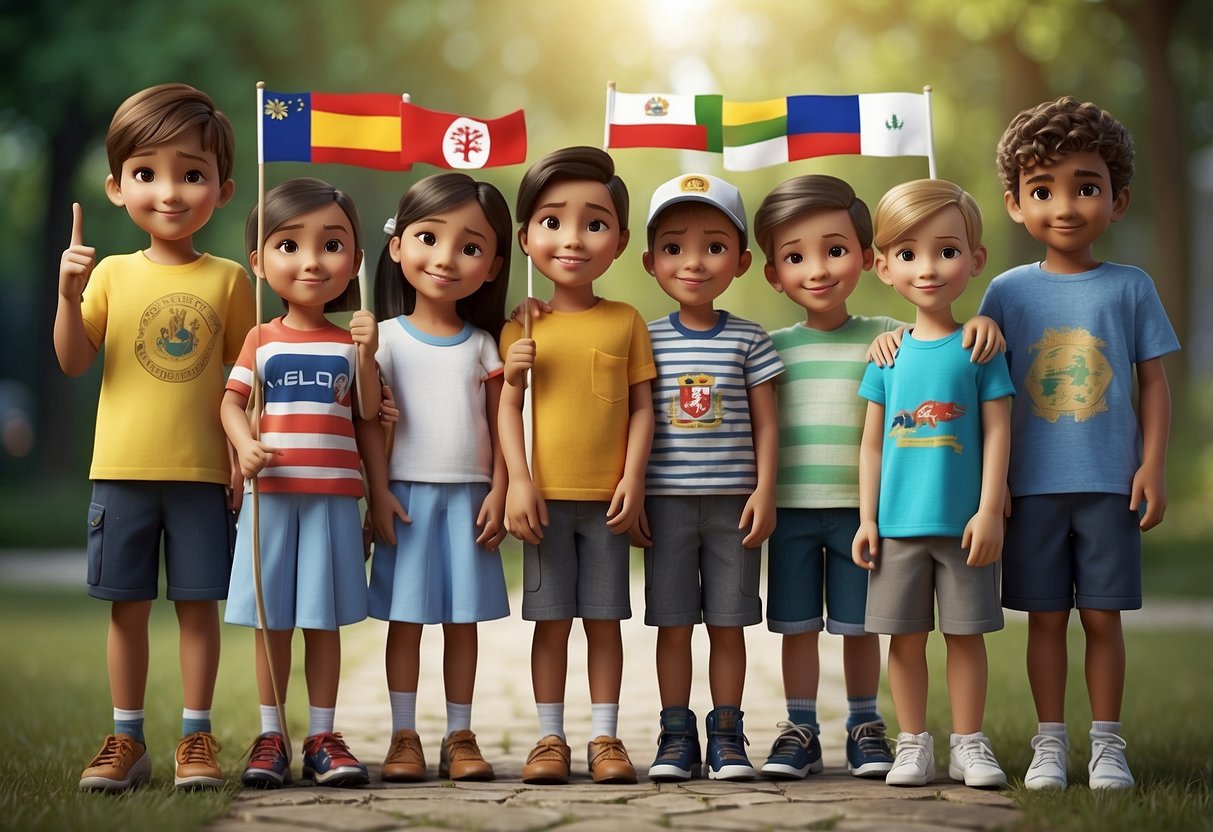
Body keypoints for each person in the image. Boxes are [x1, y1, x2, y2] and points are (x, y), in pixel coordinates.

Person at [753, 174, 1005, 781]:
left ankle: (870, 724)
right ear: (773, 274)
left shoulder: (885, 338)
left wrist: (982, 323)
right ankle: (801, 726)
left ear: (868, 261)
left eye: (834, 251)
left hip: (871, 516)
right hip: (805, 509)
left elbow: (937, 352)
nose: (816, 270)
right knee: (798, 624)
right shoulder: (772, 348)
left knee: (862, 625)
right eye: (795, 257)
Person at [55, 83, 254, 792]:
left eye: (191, 174)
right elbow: (75, 359)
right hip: (121, 470)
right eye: (147, 173)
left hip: (203, 474)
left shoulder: (232, 281)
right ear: (115, 187)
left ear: (222, 189)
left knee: (199, 607)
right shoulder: (107, 273)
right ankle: (127, 738)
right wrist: (65, 295)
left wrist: (240, 459)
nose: (169, 192)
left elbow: (244, 378)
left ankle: (196, 737)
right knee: (127, 608)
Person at [982, 97, 1179, 790]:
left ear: (1116, 200)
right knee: (1042, 619)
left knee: (1100, 617)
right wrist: (990, 481)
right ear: (1014, 204)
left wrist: (1151, 463)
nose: (1064, 206)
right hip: (1028, 488)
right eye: (1042, 190)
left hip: (1107, 483)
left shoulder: (1130, 287)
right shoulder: (1003, 293)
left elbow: (1151, 384)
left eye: (1085, 187)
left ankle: (1105, 744)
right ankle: (1048, 743)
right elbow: (983, 386)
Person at [499, 146, 656, 785]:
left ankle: (606, 736)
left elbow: (643, 409)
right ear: (527, 238)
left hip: (607, 503)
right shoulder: (521, 330)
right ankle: (548, 736)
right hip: (543, 501)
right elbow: (508, 408)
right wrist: (518, 481)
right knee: (550, 621)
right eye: (552, 222)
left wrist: (634, 476)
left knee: (604, 618)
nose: (572, 239)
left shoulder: (625, 321)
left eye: (594, 224)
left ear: (618, 241)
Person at [851, 179, 1014, 789]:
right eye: (909, 254)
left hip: (965, 525)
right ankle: (912, 743)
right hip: (896, 527)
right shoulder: (885, 357)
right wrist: (868, 519)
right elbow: (871, 444)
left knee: (967, 637)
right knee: (905, 639)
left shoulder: (981, 348)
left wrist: (991, 508)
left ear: (975, 260)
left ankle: (970, 742)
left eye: (946, 251)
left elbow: (1000, 432)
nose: (928, 268)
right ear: (883, 266)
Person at [222, 177, 379, 788]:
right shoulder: (261, 338)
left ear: (355, 262)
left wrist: (368, 355)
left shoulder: (352, 341)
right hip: (270, 500)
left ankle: (322, 734)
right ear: (259, 262)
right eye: (289, 245)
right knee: (272, 621)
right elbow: (231, 403)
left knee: (322, 618)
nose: (312, 260)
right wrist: (244, 445)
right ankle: (270, 733)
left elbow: (367, 411)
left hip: (334, 499)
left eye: (331, 244)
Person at [363, 173, 513, 783]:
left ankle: (460, 732)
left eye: (470, 247)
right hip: (404, 496)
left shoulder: (484, 343)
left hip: (471, 497)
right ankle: (404, 733)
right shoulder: (387, 338)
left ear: (494, 264)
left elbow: (506, 419)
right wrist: (377, 493)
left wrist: (503, 488)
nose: (446, 259)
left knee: (461, 621)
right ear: (398, 246)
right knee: (405, 620)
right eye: (429, 237)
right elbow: (369, 416)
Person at [635, 173, 783, 782]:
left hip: (734, 506)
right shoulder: (643, 338)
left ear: (742, 261)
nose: (693, 262)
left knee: (728, 623)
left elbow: (769, 425)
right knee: (672, 623)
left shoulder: (750, 340)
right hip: (666, 504)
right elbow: (634, 420)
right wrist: (634, 488)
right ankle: (675, 733)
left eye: (714, 247)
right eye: (674, 247)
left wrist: (766, 491)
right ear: (650, 261)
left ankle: (727, 733)